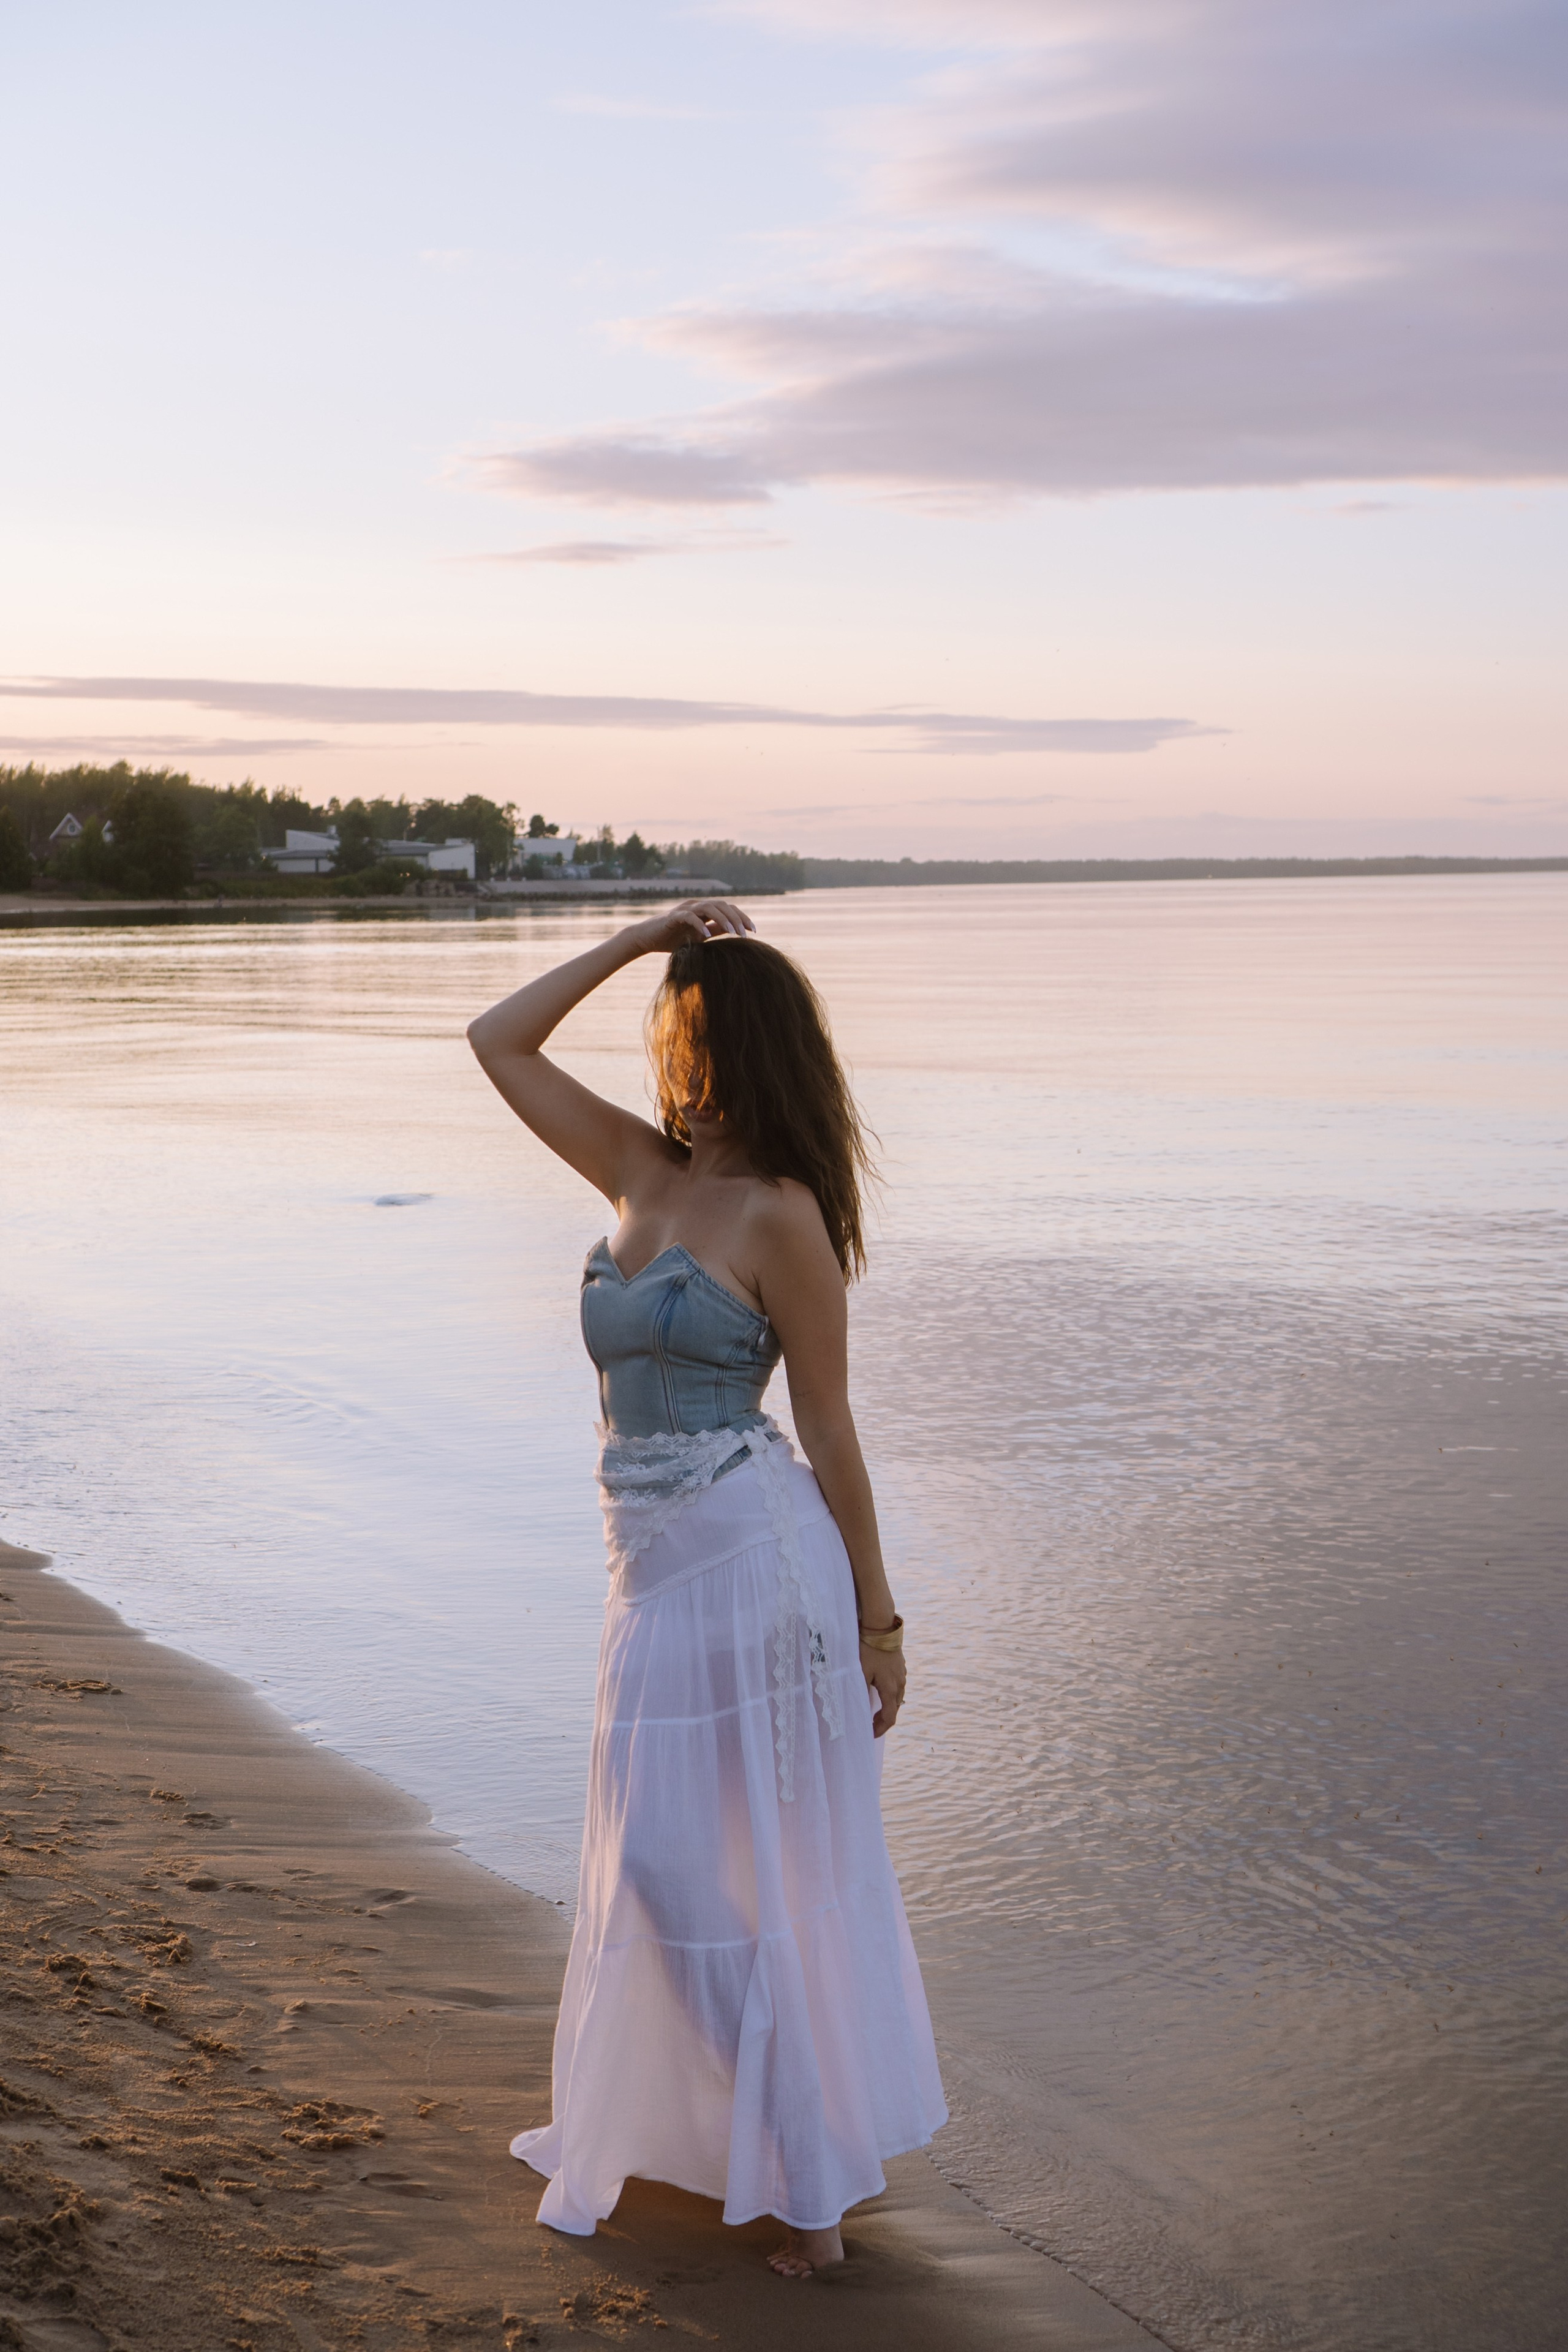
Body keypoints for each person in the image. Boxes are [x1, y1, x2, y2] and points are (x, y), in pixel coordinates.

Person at [467, 897, 946, 2280]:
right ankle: (761, 2141)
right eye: (661, 1026)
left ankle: (806, 2189)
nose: (668, 1051)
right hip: (649, 1577)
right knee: (671, 1865)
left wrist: (880, 1621)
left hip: (754, 1565)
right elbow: (497, 1042)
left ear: (738, 1046)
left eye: (684, 1024)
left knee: (747, 1874)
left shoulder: (780, 1216)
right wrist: (630, 942)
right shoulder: (634, 1165)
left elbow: (833, 1428)